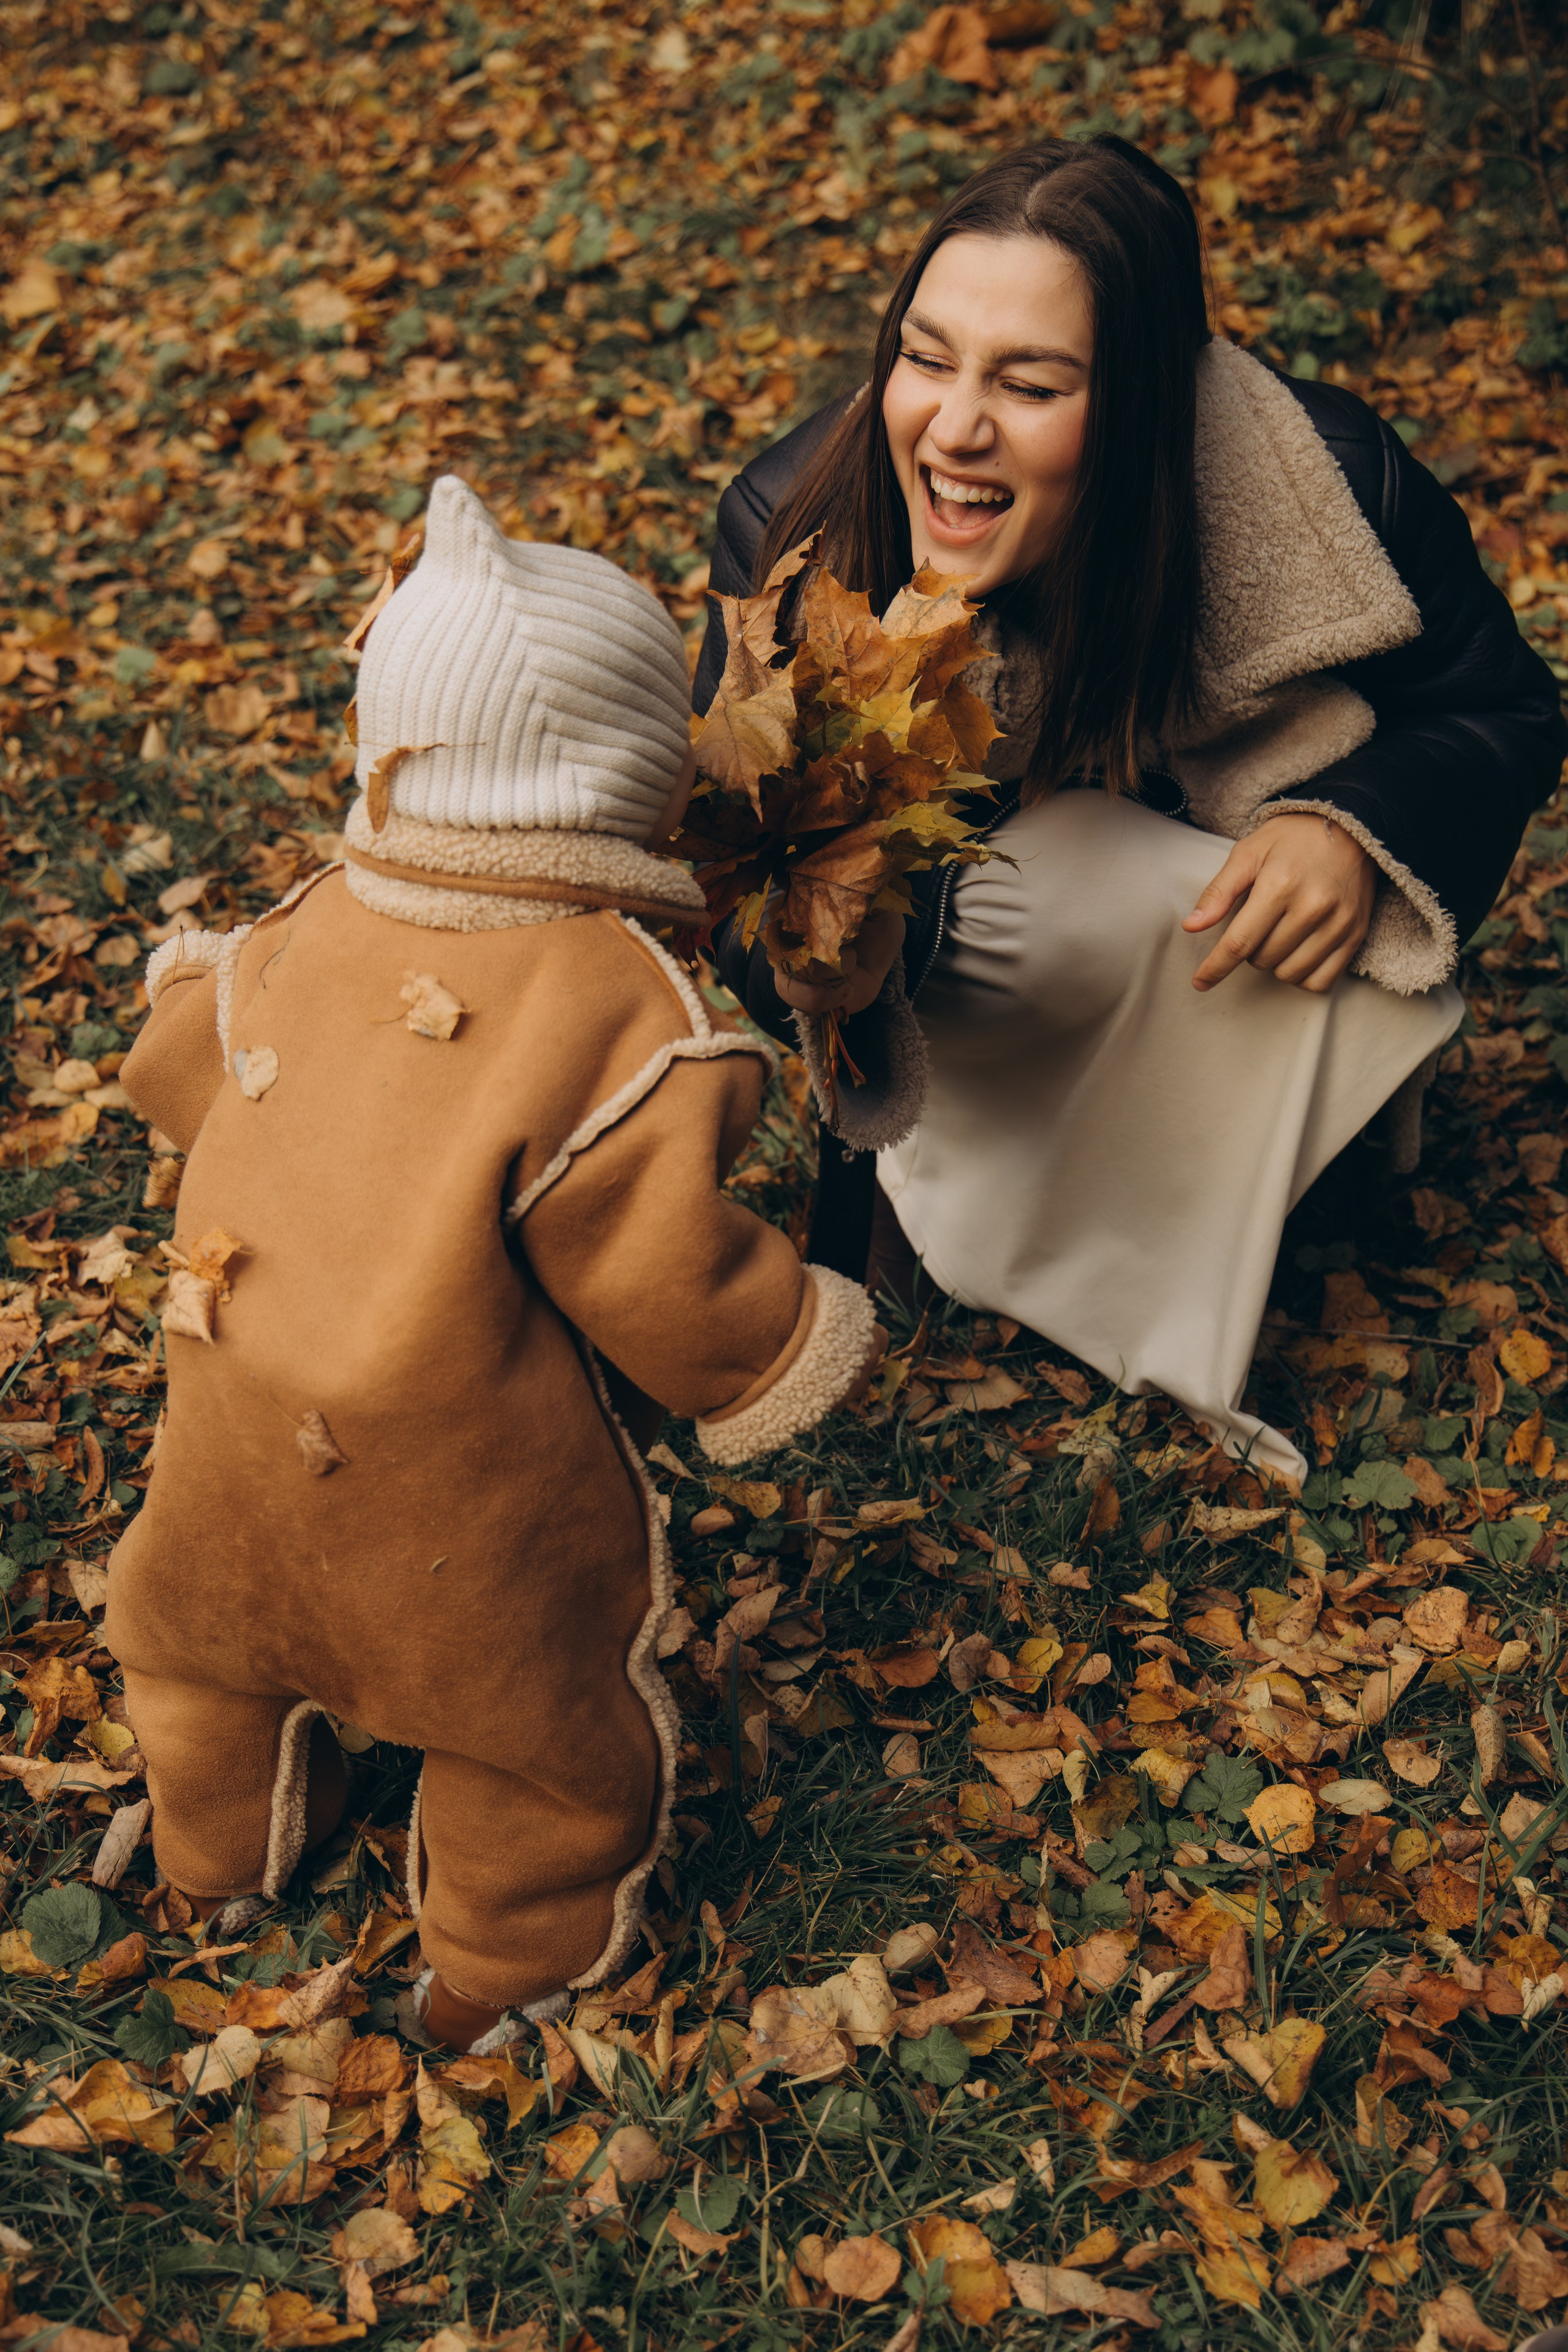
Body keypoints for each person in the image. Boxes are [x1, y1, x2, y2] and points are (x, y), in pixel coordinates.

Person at [105, 476, 881, 2054]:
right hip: (450, 1482)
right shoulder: (605, 1004)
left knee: (196, 1645)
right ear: (627, 776)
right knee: (525, 1717)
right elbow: (649, 1251)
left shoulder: (303, 919)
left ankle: (214, 1855)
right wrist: (783, 1337)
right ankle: (497, 1963)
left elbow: (181, 1062)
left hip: (230, 1419)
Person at [700, 135, 1566, 1483]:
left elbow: (1500, 710)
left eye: (1028, 383)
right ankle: (959, 1204)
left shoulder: (1326, 487)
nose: (954, 426)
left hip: (1226, 961)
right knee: (1011, 900)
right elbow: (734, 880)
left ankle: (1264, 1166)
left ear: (1151, 404)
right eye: (924, 360)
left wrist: (1349, 821)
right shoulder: (794, 533)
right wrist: (830, 959)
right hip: (976, 989)